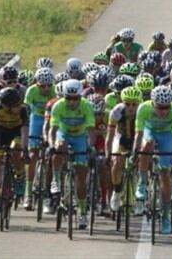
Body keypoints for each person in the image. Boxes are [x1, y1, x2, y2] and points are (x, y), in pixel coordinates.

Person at [132, 85, 172, 234]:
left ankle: (166, 216)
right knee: (147, 144)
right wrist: (135, 152)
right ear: (153, 104)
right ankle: (142, 181)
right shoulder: (143, 108)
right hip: (150, 131)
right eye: (160, 108)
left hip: (167, 135)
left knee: (165, 173)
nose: (164, 111)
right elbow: (139, 133)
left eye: (166, 108)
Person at [49, 79, 96, 230]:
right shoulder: (58, 106)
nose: (72, 102)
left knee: (81, 179)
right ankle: (56, 180)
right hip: (64, 134)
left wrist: (90, 146)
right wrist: (51, 145)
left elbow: (90, 131)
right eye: (68, 98)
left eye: (76, 98)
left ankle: (82, 212)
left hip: (80, 137)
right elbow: (53, 130)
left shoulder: (87, 106)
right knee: (59, 147)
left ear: (80, 96)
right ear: (63, 97)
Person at [0, 87, 30, 219]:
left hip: (17, 132)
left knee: (16, 148)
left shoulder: (23, 109)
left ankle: (19, 176)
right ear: (6, 106)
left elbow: (25, 131)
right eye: (15, 105)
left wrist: (25, 149)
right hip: (1, 132)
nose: (18, 106)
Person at [22, 67, 56, 210]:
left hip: (50, 119)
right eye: (43, 85)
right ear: (37, 83)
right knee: (33, 154)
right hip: (35, 120)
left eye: (49, 85)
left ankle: (48, 193)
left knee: (50, 158)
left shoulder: (54, 91)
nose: (46, 88)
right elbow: (26, 110)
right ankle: (28, 193)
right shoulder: (31, 90)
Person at [106, 86, 142, 215]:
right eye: (127, 104)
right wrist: (108, 153)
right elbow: (110, 136)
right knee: (117, 161)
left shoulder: (142, 111)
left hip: (138, 137)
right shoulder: (116, 111)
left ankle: (142, 196)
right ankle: (116, 192)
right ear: (122, 102)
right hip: (121, 138)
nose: (131, 107)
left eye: (134, 104)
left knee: (145, 160)